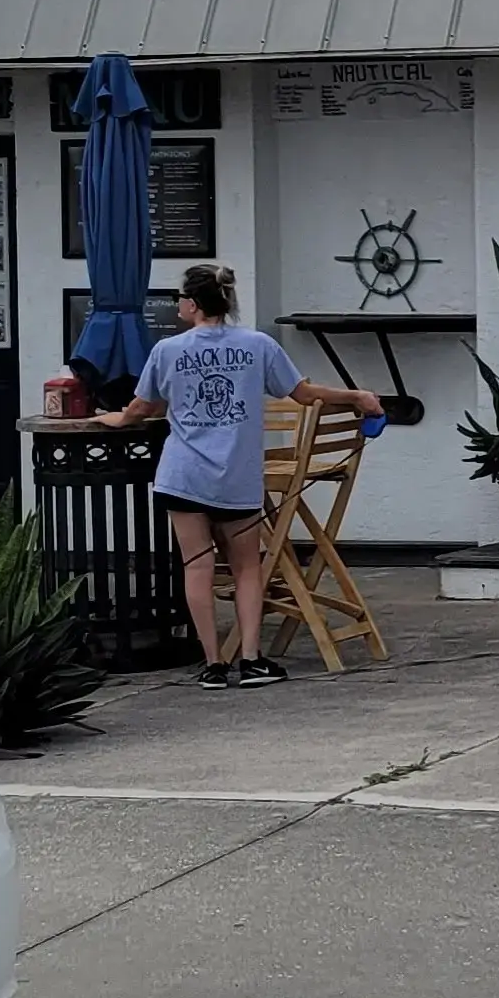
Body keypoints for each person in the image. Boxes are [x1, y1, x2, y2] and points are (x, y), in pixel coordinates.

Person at [100, 262, 380, 686]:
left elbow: (143, 407)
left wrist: (116, 419)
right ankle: (251, 659)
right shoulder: (258, 346)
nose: (179, 304)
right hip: (236, 477)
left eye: (181, 298)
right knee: (248, 567)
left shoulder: (168, 351)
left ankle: (213, 664)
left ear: (192, 304)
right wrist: (357, 395)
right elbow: (303, 394)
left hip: (183, 475)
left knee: (197, 567)